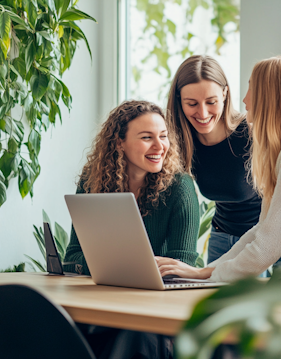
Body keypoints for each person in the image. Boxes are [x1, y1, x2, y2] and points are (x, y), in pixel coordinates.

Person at [156, 56, 281, 281]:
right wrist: (203, 272)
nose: (244, 100)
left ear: (270, 96)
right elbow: (262, 230)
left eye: (251, 88)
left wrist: (202, 273)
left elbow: (267, 247)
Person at [63, 100, 199, 359]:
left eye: (163, 136)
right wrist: (125, 268)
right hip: (103, 305)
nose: (159, 146)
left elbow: (181, 267)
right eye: (147, 138)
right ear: (119, 143)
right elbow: (73, 257)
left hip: (155, 312)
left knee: (133, 335)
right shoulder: (91, 182)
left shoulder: (180, 189)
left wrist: (108, 266)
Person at [165, 55, 281, 276]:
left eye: (211, 102)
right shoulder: (180, 141)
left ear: (225, 94)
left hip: (277, 237)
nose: (202, 113)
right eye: (192, 104)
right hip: (223, 237)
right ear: (179, 101)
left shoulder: (253, 133)